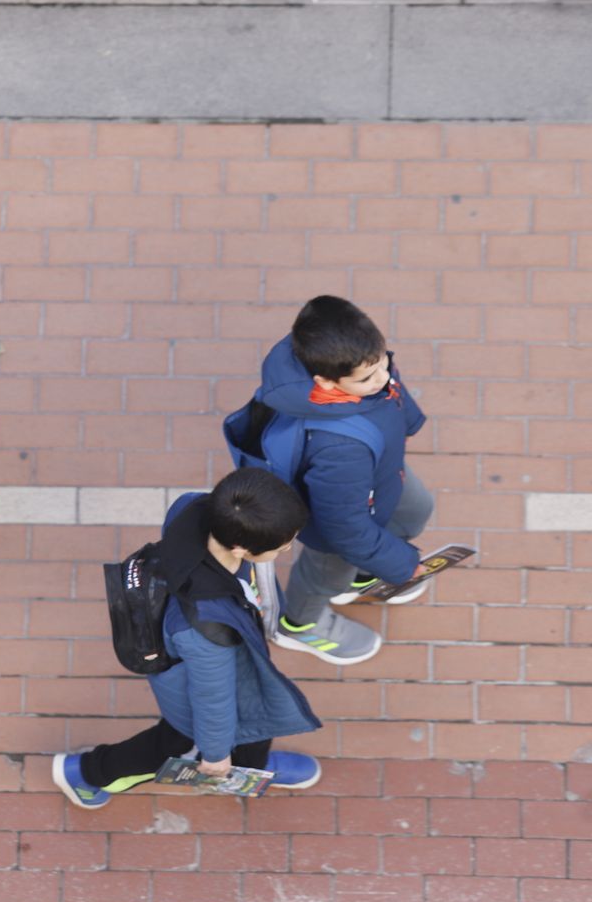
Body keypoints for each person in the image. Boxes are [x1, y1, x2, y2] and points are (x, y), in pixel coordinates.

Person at [52, 469, 324, 809]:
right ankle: (87, 773)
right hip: (194, 702)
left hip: (222, 671)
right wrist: (215, 754)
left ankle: (253, 765)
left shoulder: (196, 509)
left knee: (254, 716)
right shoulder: (206, 628)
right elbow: (213, 698)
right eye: (282, 545)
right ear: (240, 547)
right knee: (173, 744)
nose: (287, 547)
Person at [245, 295, 432, 666]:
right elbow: (344, 530)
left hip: (377, 477)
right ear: (326, 384)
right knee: (324, 577)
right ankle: (299, 624)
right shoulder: (338, 449)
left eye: (383, 363)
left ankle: (362, 576)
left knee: (414, 511)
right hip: (337, 527)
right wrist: (399, 564)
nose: (383, 378)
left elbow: (388, 388)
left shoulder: (357, 365)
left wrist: (406, 419)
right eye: (367, 377)